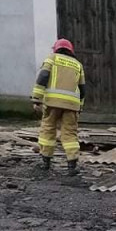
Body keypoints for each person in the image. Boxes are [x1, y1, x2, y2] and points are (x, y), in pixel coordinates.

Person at [31, 38, 85, 176]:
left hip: (52, 103)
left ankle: (46, 163)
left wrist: (36, 98)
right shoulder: (77, 64)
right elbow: (82, 89)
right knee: (70, 133)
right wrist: (80, 106)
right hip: (72, 105)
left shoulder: (52, 59)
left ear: (56, 48)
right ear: (70, 50)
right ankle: (72, 166)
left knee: (48, 129)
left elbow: (43, 77)